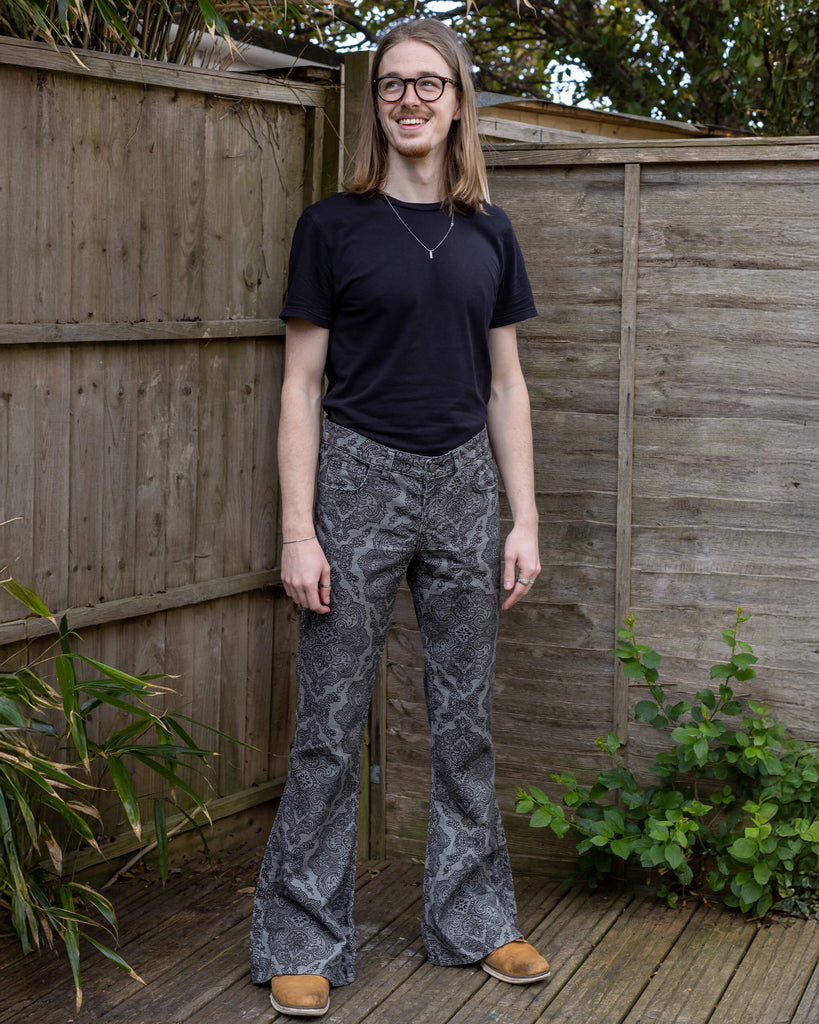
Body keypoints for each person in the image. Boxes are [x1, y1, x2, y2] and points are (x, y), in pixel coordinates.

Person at [250, 18, 549, 1018]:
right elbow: (299, 384)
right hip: (358, 482)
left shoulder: (491, 235)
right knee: (331, 726)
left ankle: (474, 919)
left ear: (460, 102)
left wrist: (524, 518)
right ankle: (303, 936)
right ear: (376, 103)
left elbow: (506, 386)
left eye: (429, 84)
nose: (410, 99)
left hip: (466, 484)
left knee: (465, 721)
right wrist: (300, 529)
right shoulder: (331, 226)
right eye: (392, 85)